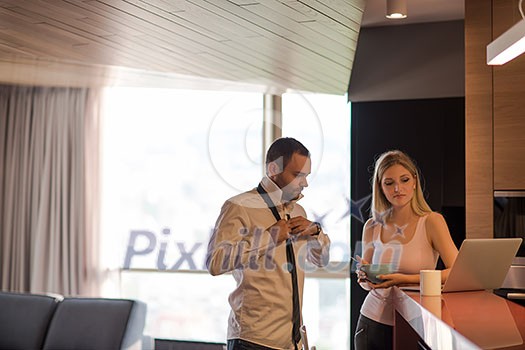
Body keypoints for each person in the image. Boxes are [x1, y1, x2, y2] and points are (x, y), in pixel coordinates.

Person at [206, 137, 330, 350]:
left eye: (306, 176)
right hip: (252, 340)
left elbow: (321, 261)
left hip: (292, 342)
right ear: (274, 169)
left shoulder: (298, 211)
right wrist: (270, 237)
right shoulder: (239, 206)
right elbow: (215, 262)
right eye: (298, 175)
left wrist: (316, 233)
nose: (305, 183)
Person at [354, 150, 458, 350]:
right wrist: (365, 277)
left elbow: (457, 272)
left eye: (404, 180)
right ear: (380, 187)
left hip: (417, 321)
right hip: (372, 321)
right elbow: (367, 284)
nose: (397, 188)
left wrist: (405, 279)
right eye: (389, 183)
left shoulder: (432, 222)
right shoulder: (372, 226)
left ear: (414, 182)